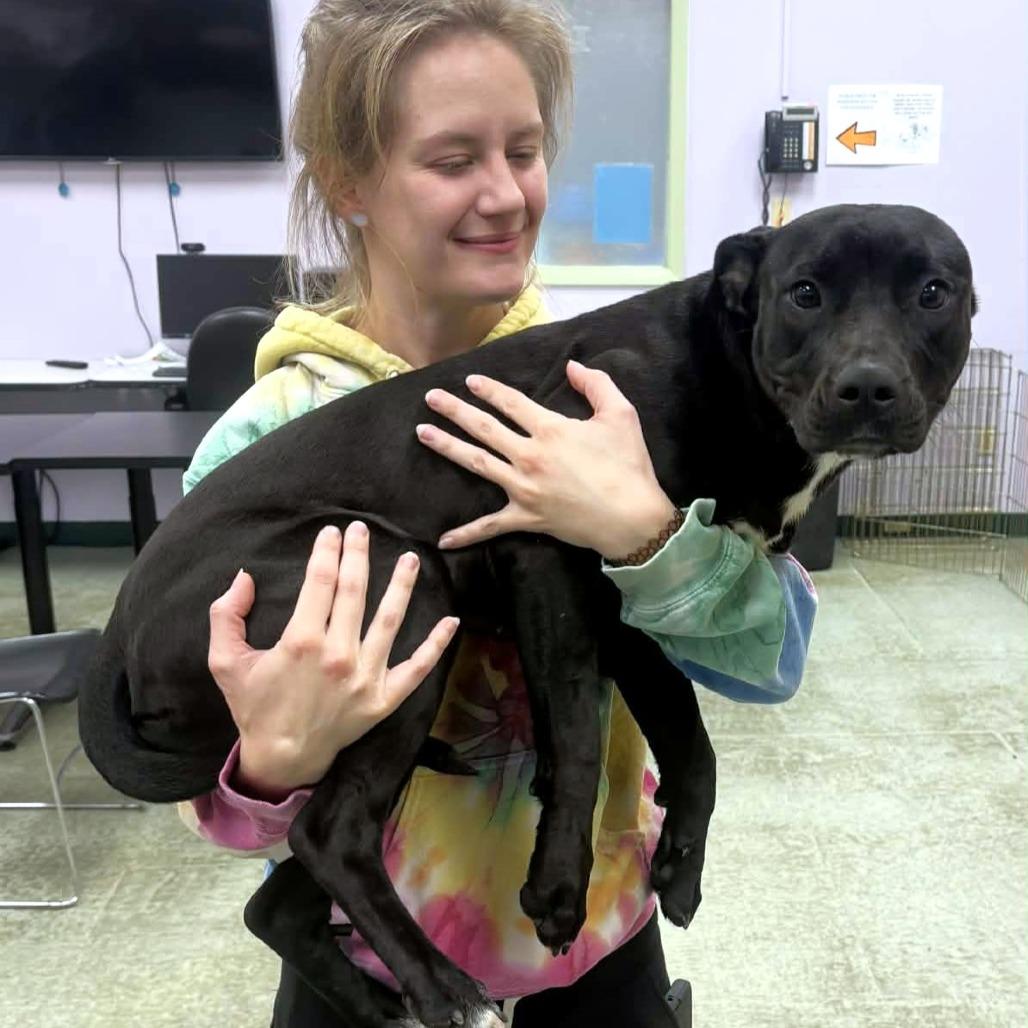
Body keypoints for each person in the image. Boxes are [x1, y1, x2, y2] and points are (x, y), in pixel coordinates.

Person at [176, 2, 819, 1025]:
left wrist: (643, 534)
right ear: (349, 180)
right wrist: (273, 760)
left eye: (523, 149)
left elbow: (771, 661)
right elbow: (215, 807)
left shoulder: (613, 391)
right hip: (372, 964)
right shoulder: (267, 442)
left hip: (599, 937)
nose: (503, 192)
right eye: (450, 158)